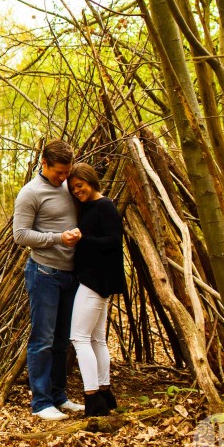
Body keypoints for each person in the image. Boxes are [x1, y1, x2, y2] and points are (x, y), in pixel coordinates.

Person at [13, 139, 84, 421]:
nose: (64, 178)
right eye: (59, 172)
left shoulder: (70, 186)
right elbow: (20, 235)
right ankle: (41, 403)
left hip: (70, 274)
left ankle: (59, 397)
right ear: (44, 163)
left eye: (67, 172)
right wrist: (58, 238)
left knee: (61, 341)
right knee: (42, 339)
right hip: (44, 274)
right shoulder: (30, 193)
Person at [68, 163, 126, 417]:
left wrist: (83, 240)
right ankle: (104, 392)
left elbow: (114, 240)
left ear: (91, 181)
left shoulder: (105, 205)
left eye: (80, 185)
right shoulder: (90, 207)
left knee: (79, 338)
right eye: (73, 188)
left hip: (95, 281)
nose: (76, 191)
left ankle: (92, 397)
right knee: (96, 339)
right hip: (95, 279)